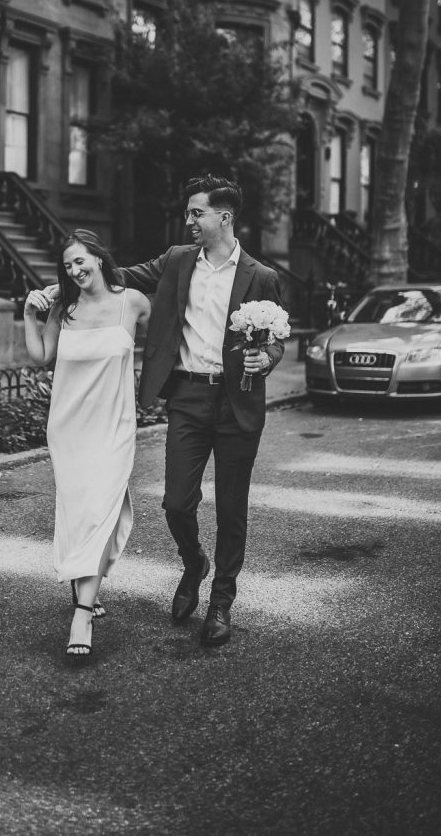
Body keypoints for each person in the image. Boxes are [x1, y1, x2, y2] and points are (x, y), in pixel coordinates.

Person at [119, 174, 285, 646]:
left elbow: (276, 343)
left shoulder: (262, 276)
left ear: (223, 217)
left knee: (232, 508)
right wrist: (63, 282)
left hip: (238, 402)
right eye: (189, 212)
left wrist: (265, 358)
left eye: (197, 213)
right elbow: (123, 276)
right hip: (188, 396)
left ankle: (221, 600)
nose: (189, 220)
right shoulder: (176, 261)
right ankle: (194, 562)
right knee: (176, 502)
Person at [24, 229, 150, 660]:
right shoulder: (64, 307)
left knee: (102, 511)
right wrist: (29, 314)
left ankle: (81, 612)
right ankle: (87, 592)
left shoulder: (132, 302)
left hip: (114, 427)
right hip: (70, 427)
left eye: (82, 260)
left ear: (99, 257)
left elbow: (171, 337)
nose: (76, 270)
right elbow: (41, 355)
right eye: (69, 265)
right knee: (81, 514)